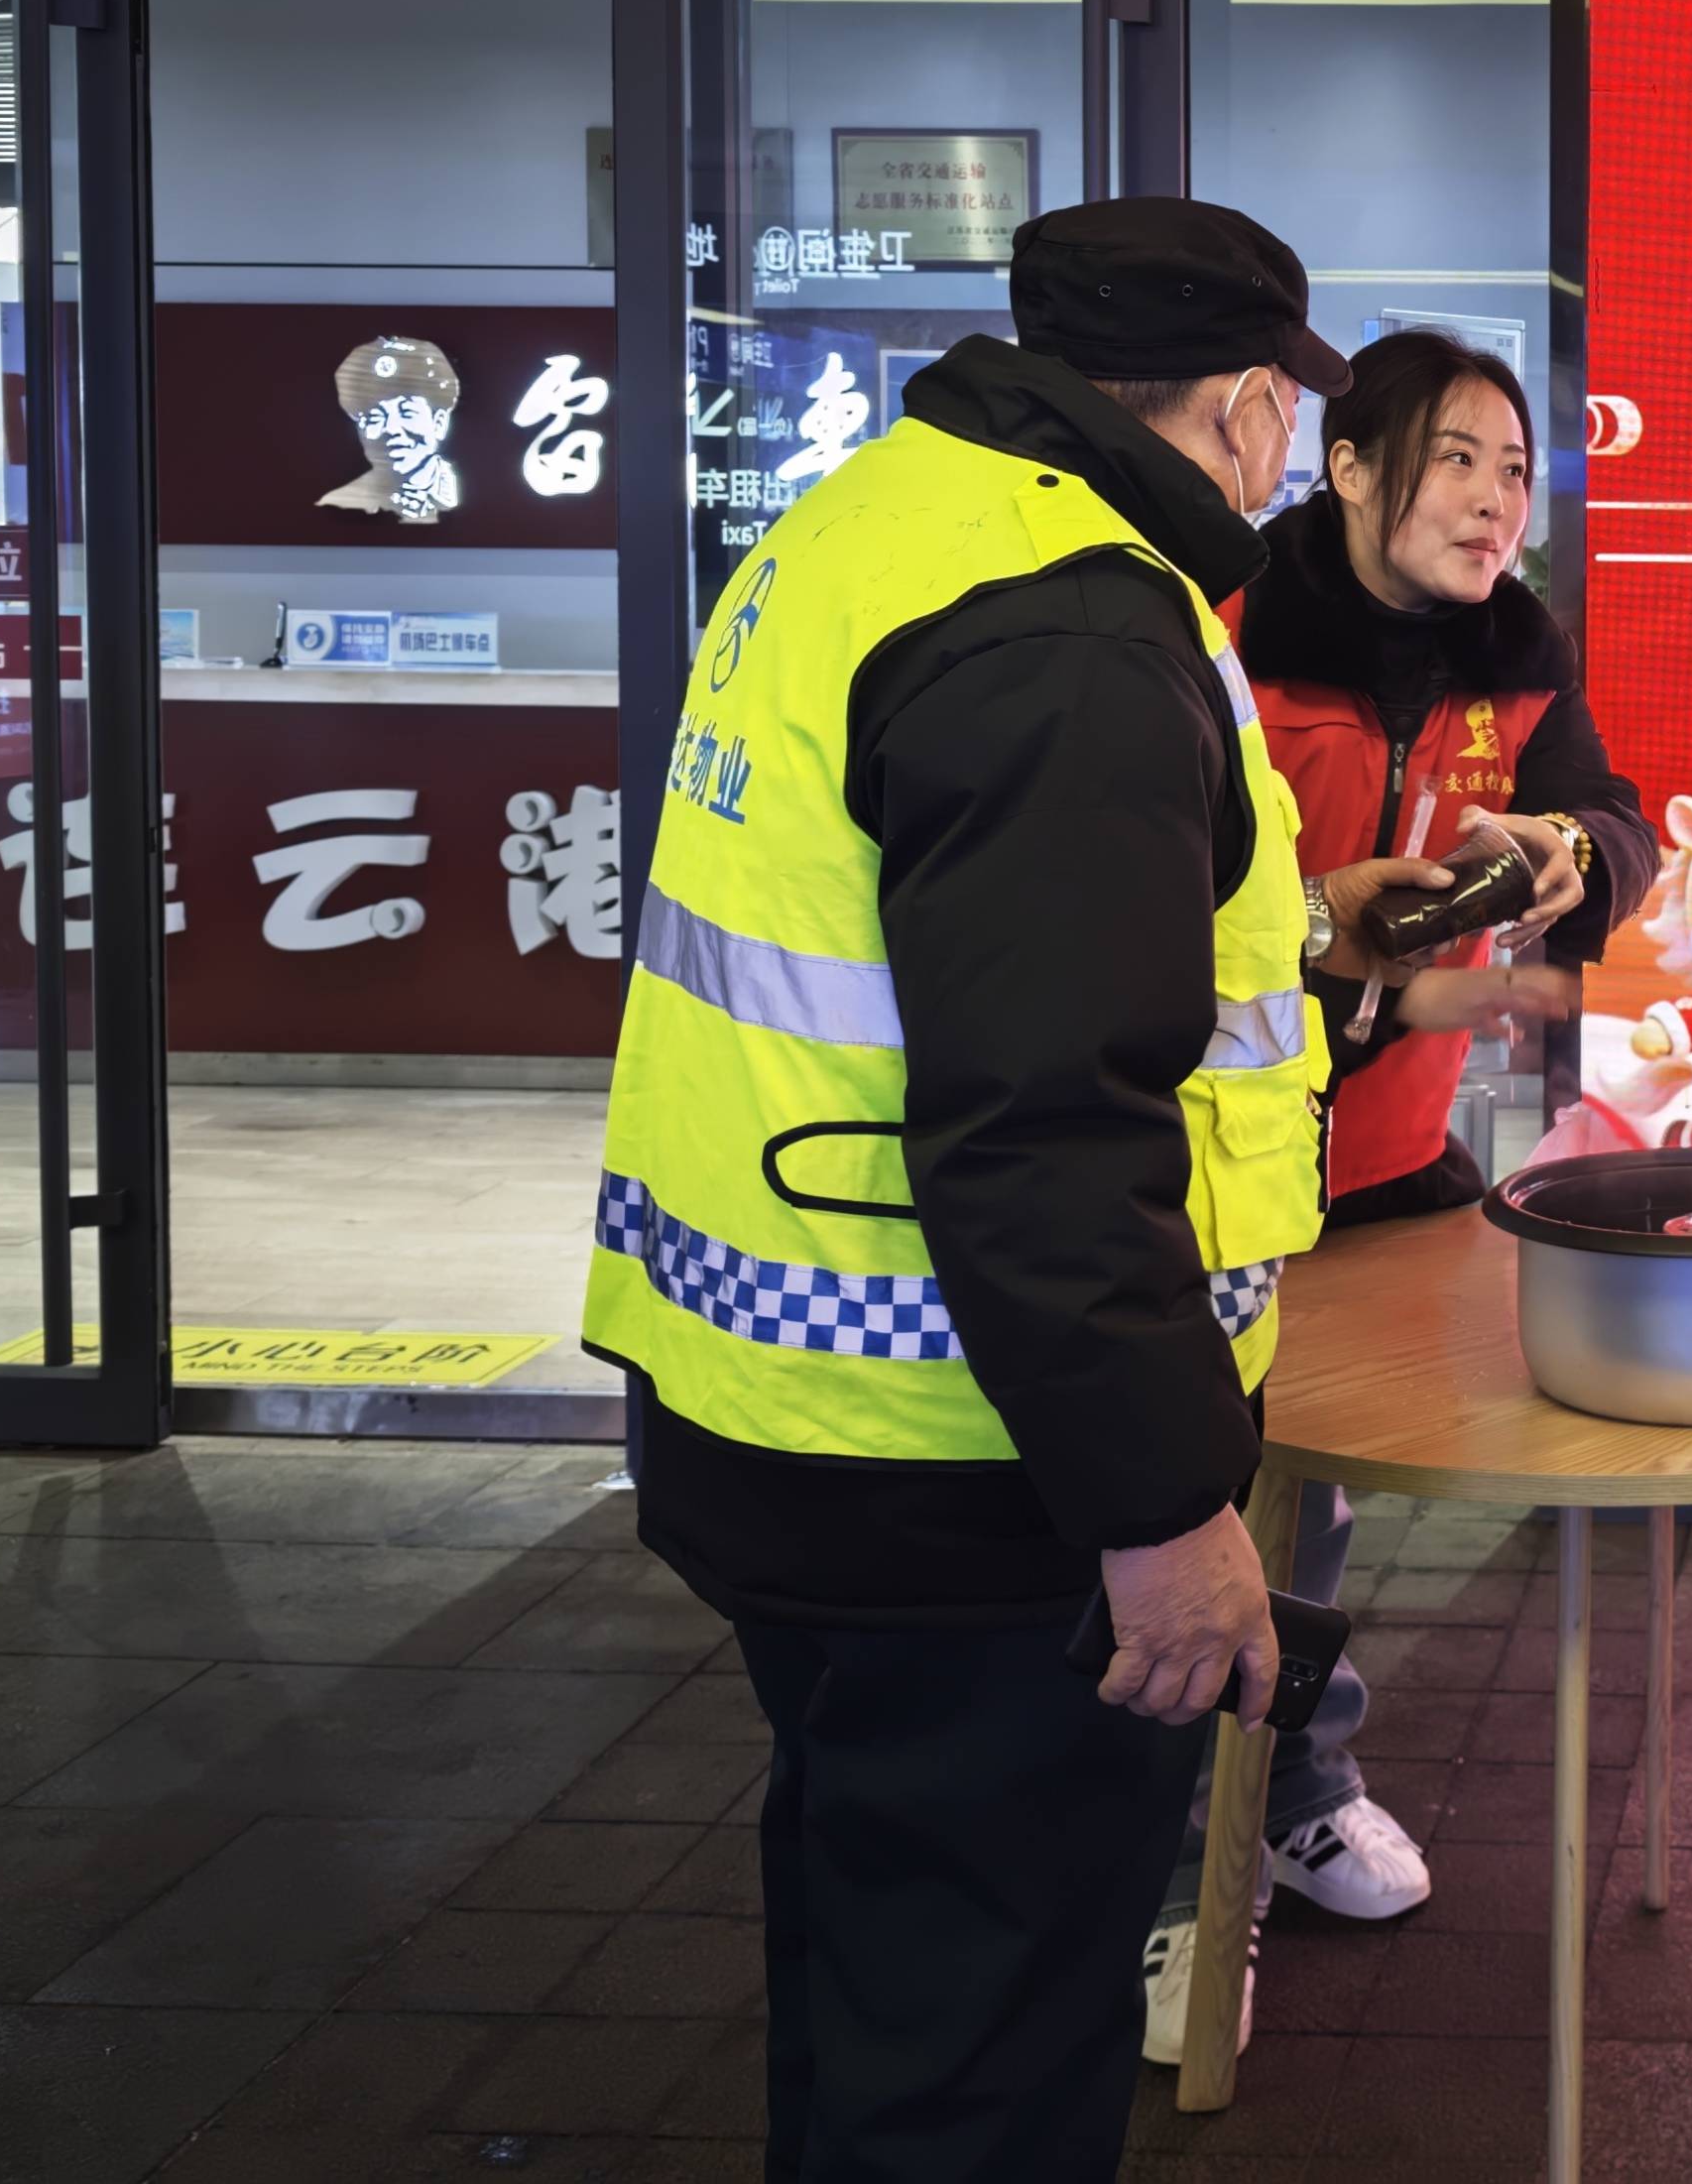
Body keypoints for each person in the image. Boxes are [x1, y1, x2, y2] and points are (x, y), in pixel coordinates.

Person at [587, 197, 1409, 2183]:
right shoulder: (1072, 628)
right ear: (1239, 406)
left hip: (788, 1415)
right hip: (967, 1476)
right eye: (1286, 421)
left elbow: (960, 950)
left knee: (885, 1971)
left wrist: (1304, 923)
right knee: (983, 2058)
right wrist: (1163, 1510)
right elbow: (1043, 1118)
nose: (1284, 461)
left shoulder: (881, 522)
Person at [1143, 326, 1656, 2049]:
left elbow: (1616, 816)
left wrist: (1570, 853)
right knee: (1178, 1526)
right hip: (1202, 1177)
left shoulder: (1516, 655)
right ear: (1347, 466)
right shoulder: (1221, 633)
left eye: (1516, 470)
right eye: (1456, 460)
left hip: (1383, 1167)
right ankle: (1169, 1890)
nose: (1497, 501)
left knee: (1312, 1512)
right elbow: (1150, 904)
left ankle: (1296, 1796)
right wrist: (1330, 937)